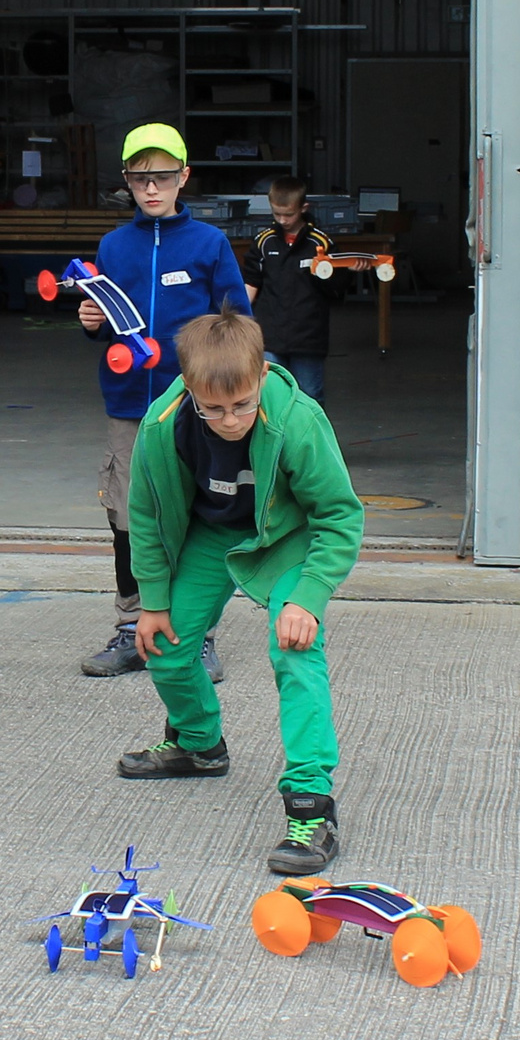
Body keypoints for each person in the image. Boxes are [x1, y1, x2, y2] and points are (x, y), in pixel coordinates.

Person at [117, 307, 364, 875]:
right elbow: (148, 517)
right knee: (166, 647)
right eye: (215, 409)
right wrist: (152, 601)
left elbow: (339, 515)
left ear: (260, 376)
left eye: (243, 404)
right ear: (188, 390)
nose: (231, 420)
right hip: (211, 536)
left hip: (286, 539)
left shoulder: (297, 420)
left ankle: (310, 806)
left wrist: (310, 595)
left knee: (295, 651)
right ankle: (199, 745)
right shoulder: (162, 426)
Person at [78, 122, 249, 682]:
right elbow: (104, 319)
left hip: (195, 407)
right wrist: (92, 323)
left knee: (199, 515)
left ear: (184, 178)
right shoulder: (112, 246)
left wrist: (223, 394)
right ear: (126, 181)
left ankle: (197, 633)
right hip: (129, 403)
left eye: (164, 177)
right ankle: (131, 628)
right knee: (128, 517)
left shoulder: (209, 245)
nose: (153, 189)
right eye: (141, 177)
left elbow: (239, 326)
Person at [241, 176, 369, 407]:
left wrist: (346, 271)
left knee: (309, 397)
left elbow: (335, 288)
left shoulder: (320, 242)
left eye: (288, 215)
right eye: (276, 214)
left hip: (309, 335)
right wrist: (238, 317)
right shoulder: (263, 241)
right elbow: (251, 282)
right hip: (269, 334)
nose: (282, 220)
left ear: (303, 208)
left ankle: (309, 442)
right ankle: (274, 443)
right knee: (268, 396)